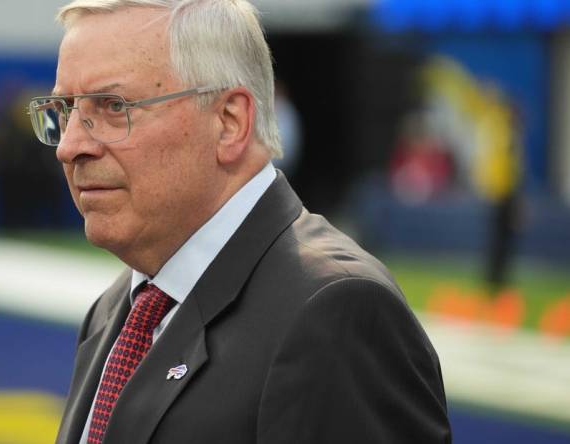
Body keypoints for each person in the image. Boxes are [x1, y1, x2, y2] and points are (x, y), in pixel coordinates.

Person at [28, 1, 451, 443]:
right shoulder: (119, 307)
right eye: (65, 109)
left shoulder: (335, 313)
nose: (70, 145)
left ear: (229, 122)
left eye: (113, 107)